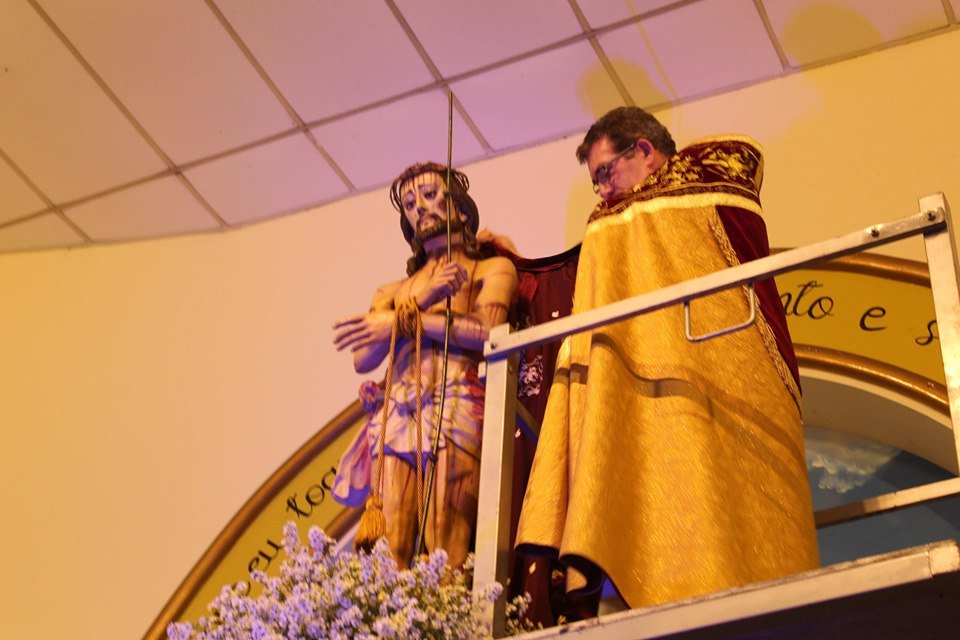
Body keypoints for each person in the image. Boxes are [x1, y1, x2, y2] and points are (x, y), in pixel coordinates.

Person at [515, 107, 819, 609]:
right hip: (659, 397)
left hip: (730, 380)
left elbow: (742, 163)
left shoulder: (704, 181)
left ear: (644, 150)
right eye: (595, 183)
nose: (603, 193)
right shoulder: (615, 224)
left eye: (606, 173)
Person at [331, 162, 518, 569]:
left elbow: (488, 331)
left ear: (461, 209)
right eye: (411, 204)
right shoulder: (391, 290)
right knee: (392, 542)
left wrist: (401, 321)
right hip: (397, 412)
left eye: (431, 196)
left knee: (445, 539)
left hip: (456, 405)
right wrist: (419, 300)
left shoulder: (492, 269)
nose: (421, 208)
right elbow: (364, 358)